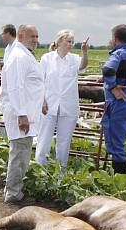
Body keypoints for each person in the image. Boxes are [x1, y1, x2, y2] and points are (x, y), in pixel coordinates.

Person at [0, 24, 44, 204]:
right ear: (21, 35)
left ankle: (13, 190)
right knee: (19, 153)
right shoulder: (19, 57)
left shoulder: (24, 55)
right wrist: (21, 114)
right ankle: (13, 193)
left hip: (27, 112)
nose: (35, 40)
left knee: (22, 153)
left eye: (36, 36)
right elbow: (16, 87)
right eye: (32, 36)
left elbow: (32, 84)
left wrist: (43, 101)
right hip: (21, 113)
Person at [36, 29, 89, 172]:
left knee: (64, 142)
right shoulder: (47, 58)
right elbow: (40, 81)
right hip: (49, 104)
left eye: (72, 42)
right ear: (59, 41)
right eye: (68, 41)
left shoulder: (74, 59)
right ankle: (40, 171)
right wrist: (42, 101)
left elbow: (83, 66)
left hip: (68, 105)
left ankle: (61, 174)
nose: (71, 44)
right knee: (44, 140)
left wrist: (84, 52)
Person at [101, 24, 126, 174]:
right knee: (121, 140)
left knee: (116, 144)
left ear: (115, 38)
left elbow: (107, 69)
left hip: (118, 102)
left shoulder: (118, 54)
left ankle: (120, 181)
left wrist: (112, 87)